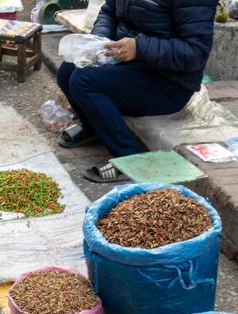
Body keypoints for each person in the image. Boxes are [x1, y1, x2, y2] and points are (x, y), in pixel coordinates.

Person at [56, 0, 217, 182]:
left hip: (168, 83)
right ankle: (92, 127)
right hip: (130, 61)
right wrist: (100, 40)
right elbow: (109, 11)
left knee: (84, 81)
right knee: (67, 70)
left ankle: (129, 159)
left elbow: (195, 52)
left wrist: (139, 48)